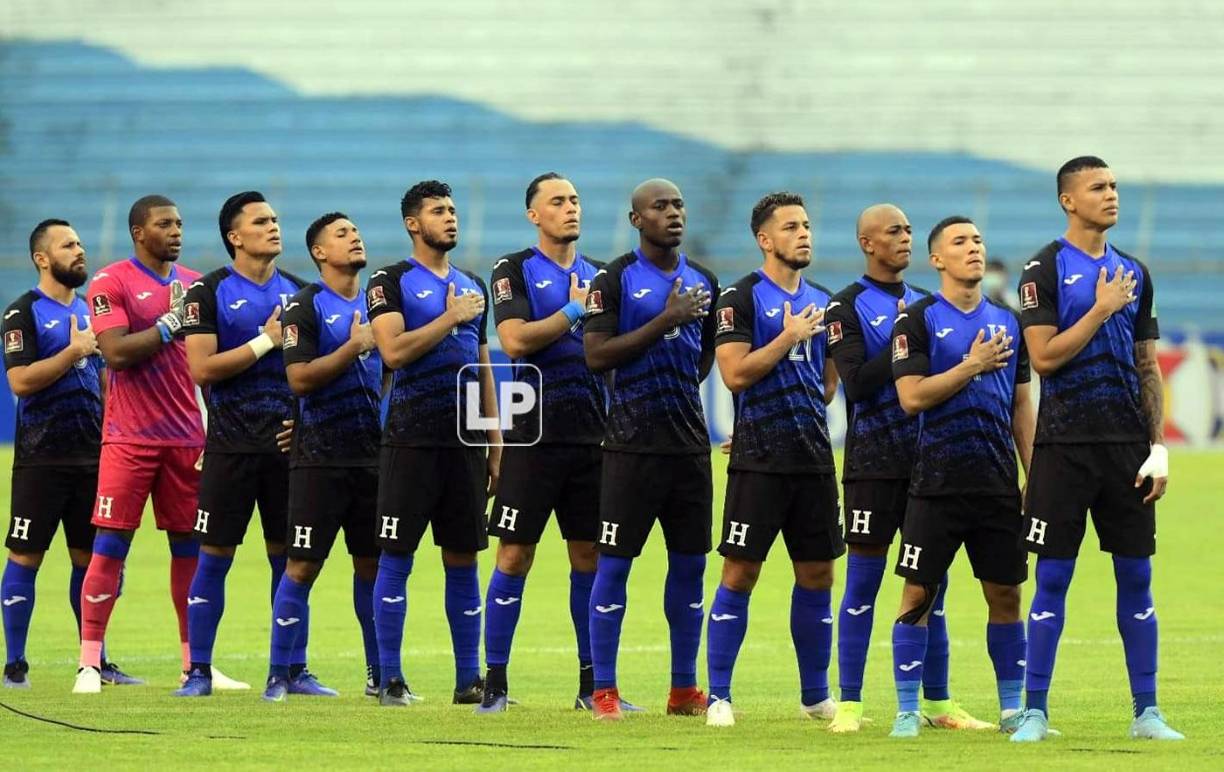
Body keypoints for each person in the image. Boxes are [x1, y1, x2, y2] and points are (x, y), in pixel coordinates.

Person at [1011, 156, 1181, 742]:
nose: (1111, 195)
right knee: (1053, 577)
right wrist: (1101, 308)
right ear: (1068, 200)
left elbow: (1146, 364)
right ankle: (1035, 712)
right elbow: (1043, 357)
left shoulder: (1135, 271)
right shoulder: (1044, 268)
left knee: (1136, 576)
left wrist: (1157, 445)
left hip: (1126, 450)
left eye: (1114, 186)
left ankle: (1147, 712)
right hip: (1064, 446)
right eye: (1098, 187)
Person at [825, 204, 990, 732]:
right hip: (873, 464)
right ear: (867, 242)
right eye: (894, 231)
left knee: (930, 588)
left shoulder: (927, 305)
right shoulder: (845, 305)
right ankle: (850, 704)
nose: (905, 238)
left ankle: (938, 703)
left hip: (929, 465)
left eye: (910, 230)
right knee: (862, 585)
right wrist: (904, 341)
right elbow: (856, 383)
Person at [476, 173, 624, 713]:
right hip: (532, 435)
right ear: (534, 215)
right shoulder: (513, 269)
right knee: (515, 554)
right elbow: (514, 339)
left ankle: (592, 687)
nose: (570, 208)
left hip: (592, 437)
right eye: (558, 201)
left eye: (575, 200)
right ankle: (495, 684)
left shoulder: (605, 275)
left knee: (589, 557)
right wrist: (573, 311)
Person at [73, 197, 231, 694]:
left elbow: (209, 364)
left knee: (189, 548)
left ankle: (194, 663)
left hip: (187, 438)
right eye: (164, 224)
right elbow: (116, 352)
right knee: (110, 545)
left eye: (180, 223)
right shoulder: (111, 281)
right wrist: (168, 325)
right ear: (139, 232)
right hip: (129, 438)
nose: (176, 230)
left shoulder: (196, 284)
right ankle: (90, 663)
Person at [885, 216, 1034, 739]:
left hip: (996, 484)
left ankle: (1013, 710)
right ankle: (908, 710)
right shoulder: (917, 320)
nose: (974, 248)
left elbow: (1021, 405)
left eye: (978, 240)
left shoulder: (1009, 321)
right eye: (960, 242)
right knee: (918, 596)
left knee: (1006, 596)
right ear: (936, 259)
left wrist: (1033, 473)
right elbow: (911, 397)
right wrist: (971, 365)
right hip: (936, 483)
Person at [703, 192, 842, 727]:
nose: (803, 234)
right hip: (759, 462)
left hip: (812, 460)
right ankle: (719, 696)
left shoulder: (825, 301)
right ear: (765, 239)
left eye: (806, 225)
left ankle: (815, 696)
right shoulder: (739, 298)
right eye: (790, 227)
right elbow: (734, 374)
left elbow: (826, 385)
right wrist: (788, 336)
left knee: (818, 574)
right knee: (741, 572)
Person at [582, 178, 719, 721]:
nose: (673, 213)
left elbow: (702, 358)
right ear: (636, 220)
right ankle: (605, 690)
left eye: (679, 204)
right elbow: (597, 355)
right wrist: (665, 319)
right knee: (614, 568)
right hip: (630, 448)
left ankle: (683, 689)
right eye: (660, 206)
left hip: (688, 449)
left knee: (689, 569)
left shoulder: (705, 281)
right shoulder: (613, 279)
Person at [366, 180, 500, 707]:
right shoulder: (390, 280)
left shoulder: (473, 285)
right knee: (396, 556)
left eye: (452, 209)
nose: (450, 217)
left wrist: (496, 442)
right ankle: (390, 678)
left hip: (464, 446)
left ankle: (469, 680)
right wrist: (449, 318)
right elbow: (393, 353)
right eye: (438, 211)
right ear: (412, 223)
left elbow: (483, 367)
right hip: (410, 442)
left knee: (464, 558)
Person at [176, 191, 311, 697]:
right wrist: (265, 340)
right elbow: (201, 368)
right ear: (235, 236)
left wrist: (306, 425)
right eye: (260, 221)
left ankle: (290, 671)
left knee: (291, 560)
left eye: (275, 219)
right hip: (229, 448)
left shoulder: (300, 294)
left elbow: (312, 374)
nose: (273, 226)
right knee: (214, 556)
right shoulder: (208, 292)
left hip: (286, 450)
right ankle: (198, 672)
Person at [2, 219, 132, 689]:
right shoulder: (22, 313)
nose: (79, 250)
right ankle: (15, 665)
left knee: (91, 561)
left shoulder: (92, 310)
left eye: (79, 243)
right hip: (41, 459)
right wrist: (74, 352)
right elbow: (20, 382)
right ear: (42, 258)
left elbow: (106, 382)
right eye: (68, 245)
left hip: (94, 460)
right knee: (26, 556)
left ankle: (95, 661)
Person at [262, 212, 383, 701]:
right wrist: (353, 347)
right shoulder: (304, 305)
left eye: (356, 231)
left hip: (371, 458)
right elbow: (299, 378)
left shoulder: (379, 304)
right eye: (342, 233)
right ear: (318, 251)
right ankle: (279, 674)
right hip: (318, 458)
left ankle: (379, 676)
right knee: (302, 566)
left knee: (372, 567)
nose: (355, 237)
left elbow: (388, 372)